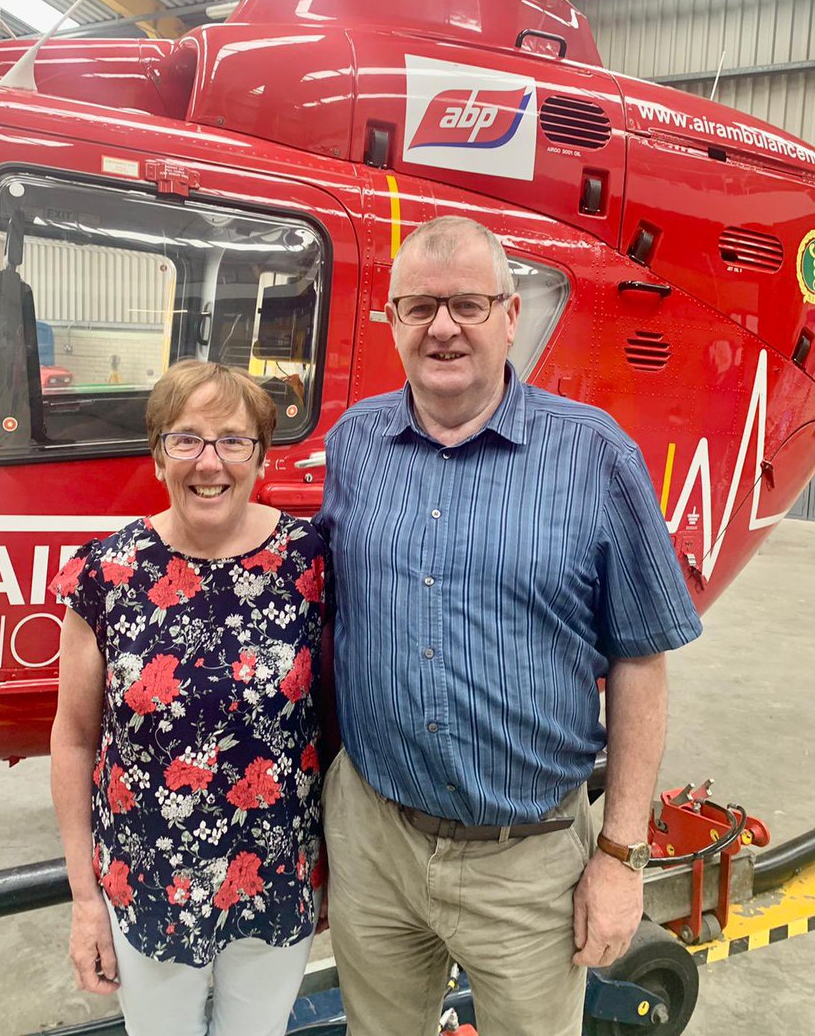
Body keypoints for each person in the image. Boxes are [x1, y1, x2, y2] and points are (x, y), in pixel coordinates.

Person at [318, 217, 702, 1036]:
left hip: (527, 860)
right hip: (375, 841)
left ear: (511, 316)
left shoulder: (595, 457)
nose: (444, 328)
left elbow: (641, 661)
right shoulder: (355, 446)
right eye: (419, 307)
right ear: (390, 321)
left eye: (467, 303)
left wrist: (621, 859)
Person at [49, 359, 328, 1036]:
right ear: (157, 455)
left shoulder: (309, 562)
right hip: (148, 882)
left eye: (234, 440)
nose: (211, 462)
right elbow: (74, 737)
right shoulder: (107, 573)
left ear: (261, 458)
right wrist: (85, 899)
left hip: (275, 873)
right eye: (187, 440)